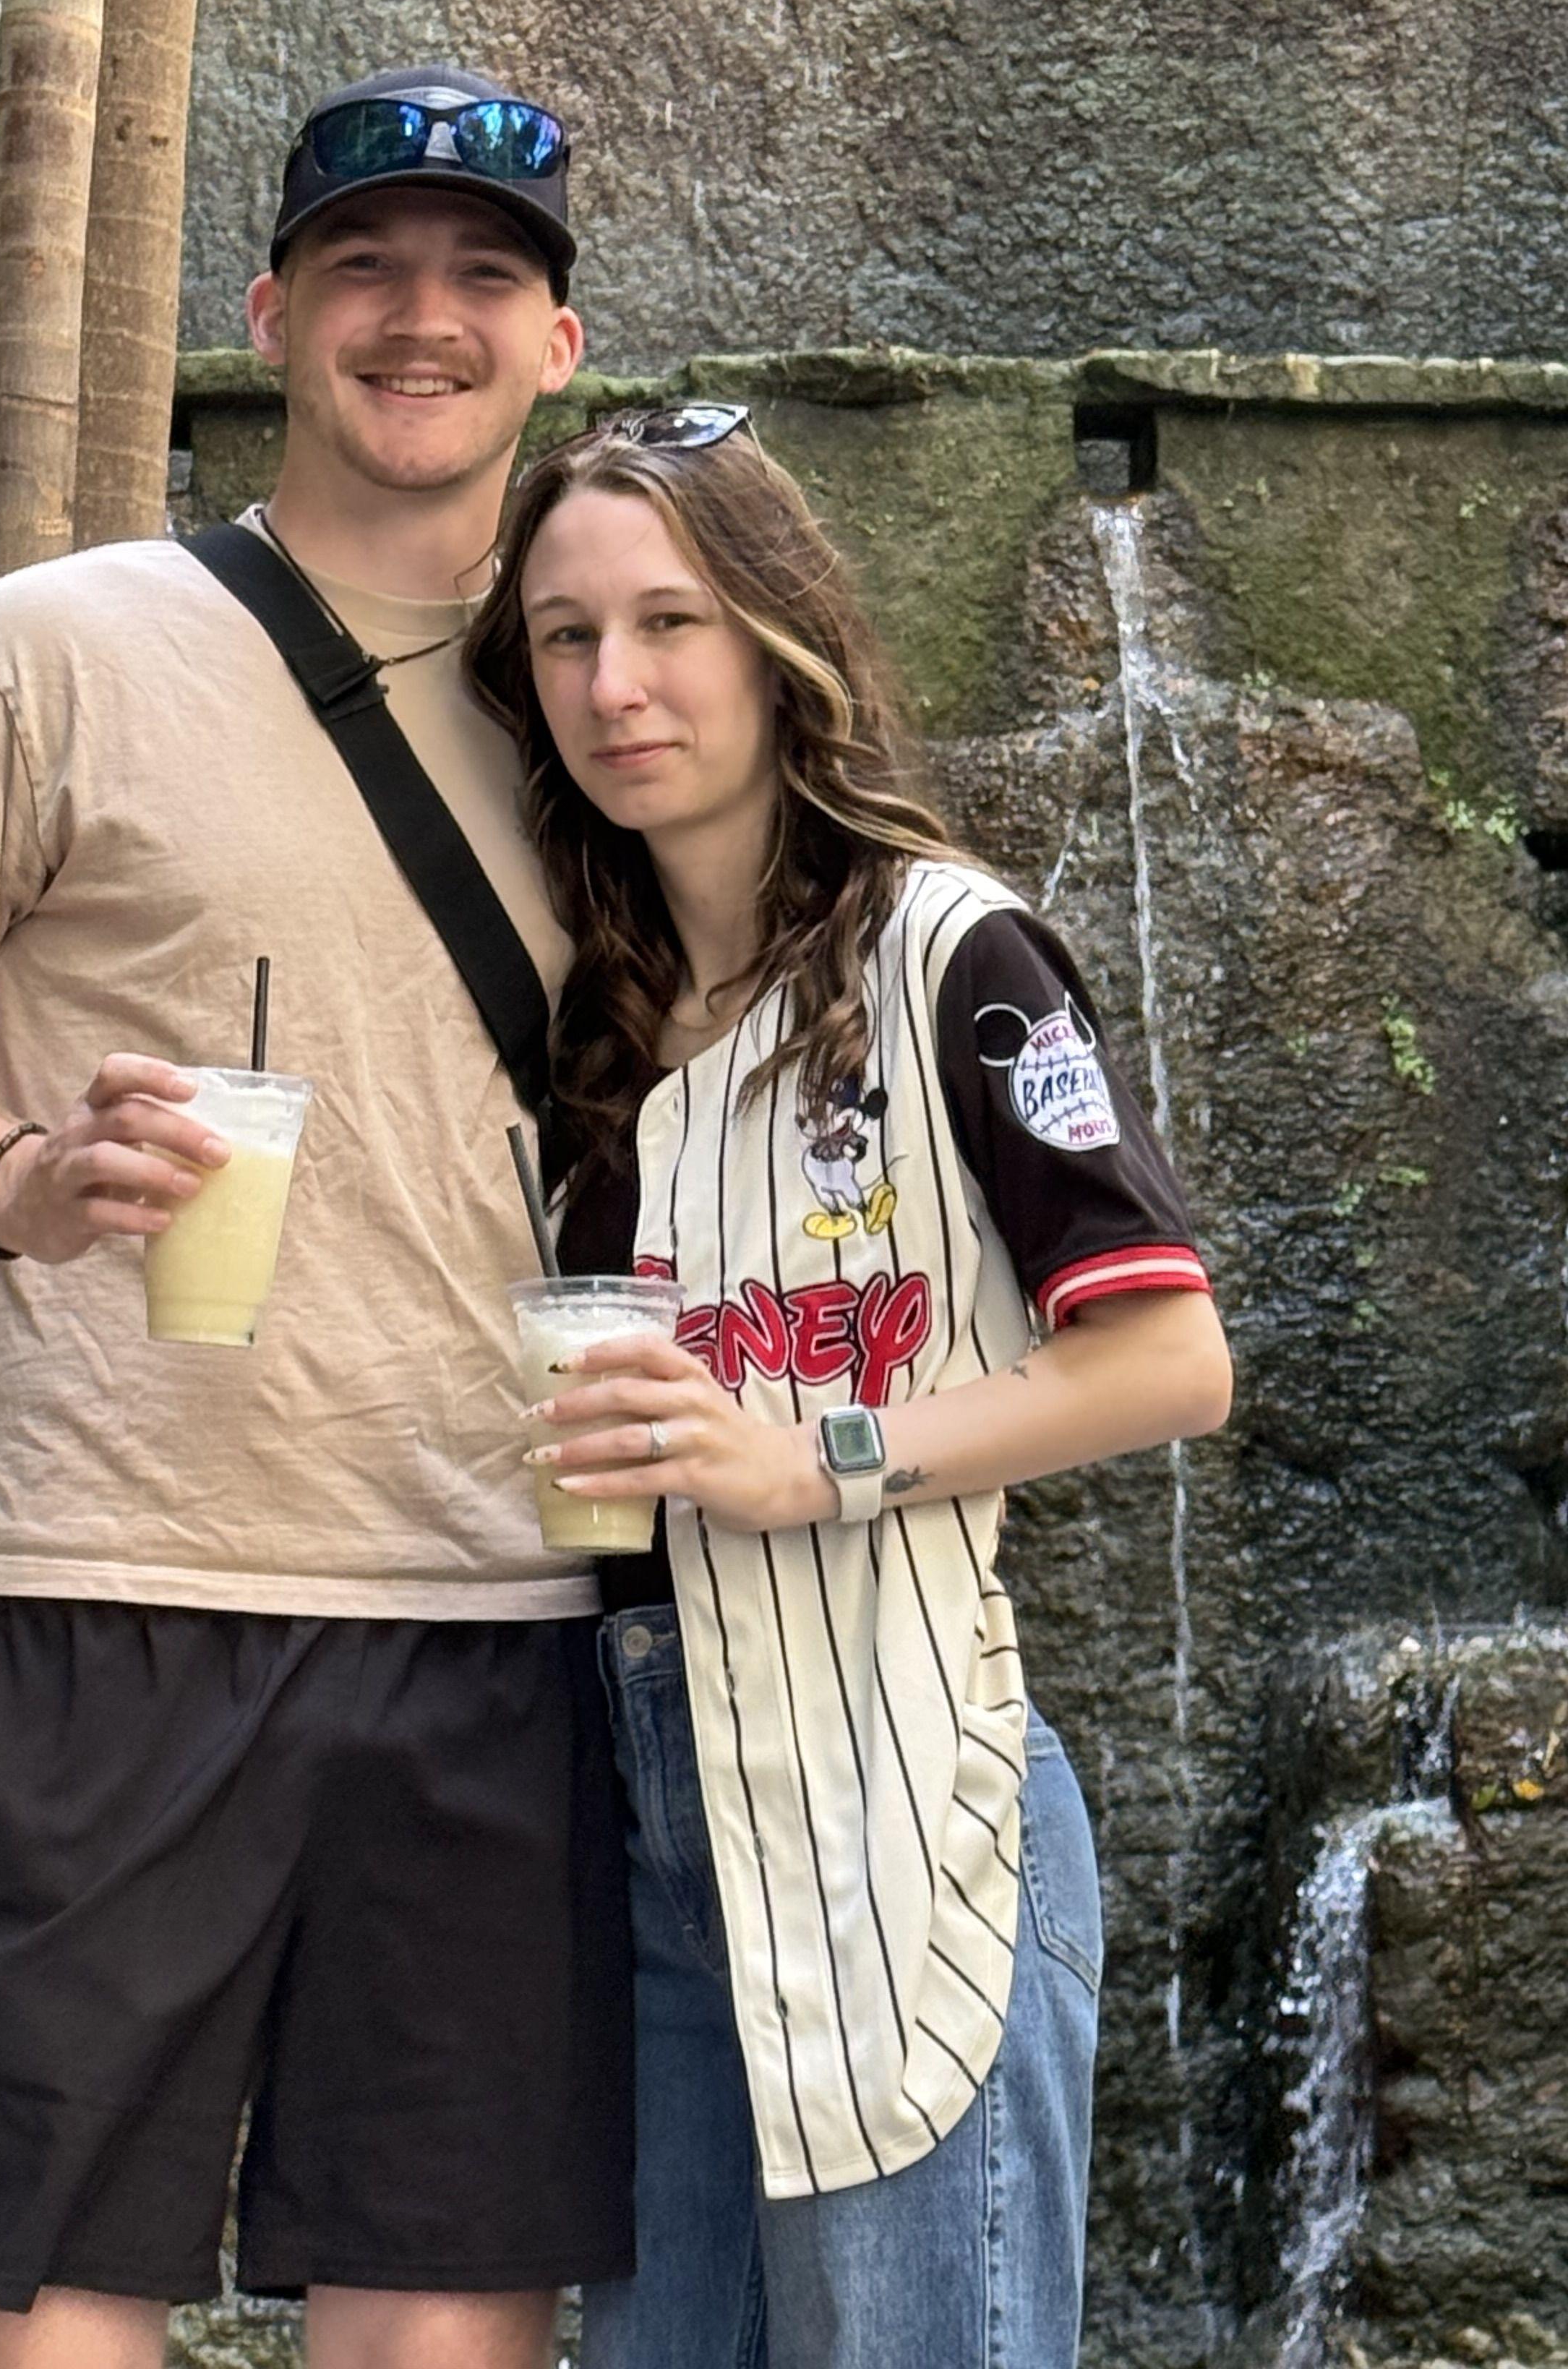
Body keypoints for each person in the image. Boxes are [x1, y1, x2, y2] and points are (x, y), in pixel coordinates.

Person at [0, 67, 635, 2369]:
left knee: (446, 2327)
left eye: (481, 280)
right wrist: (20, 1180)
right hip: (109, 1589)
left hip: (499, 1613)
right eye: (366, 269)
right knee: (20, 2306)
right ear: (270, 311)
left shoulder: (629, 692)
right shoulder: (55, 649)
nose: (419, 319)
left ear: (559, 346)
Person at [458, 408, 1236, 2368]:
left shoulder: (949, 960)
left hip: (904, 1814)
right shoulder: (586, 1021)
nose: (616, 684)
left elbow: (1168, 1359)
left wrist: (825, 1452)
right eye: (564, 638)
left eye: (671, 620)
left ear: (779, 636)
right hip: (647, 1821)